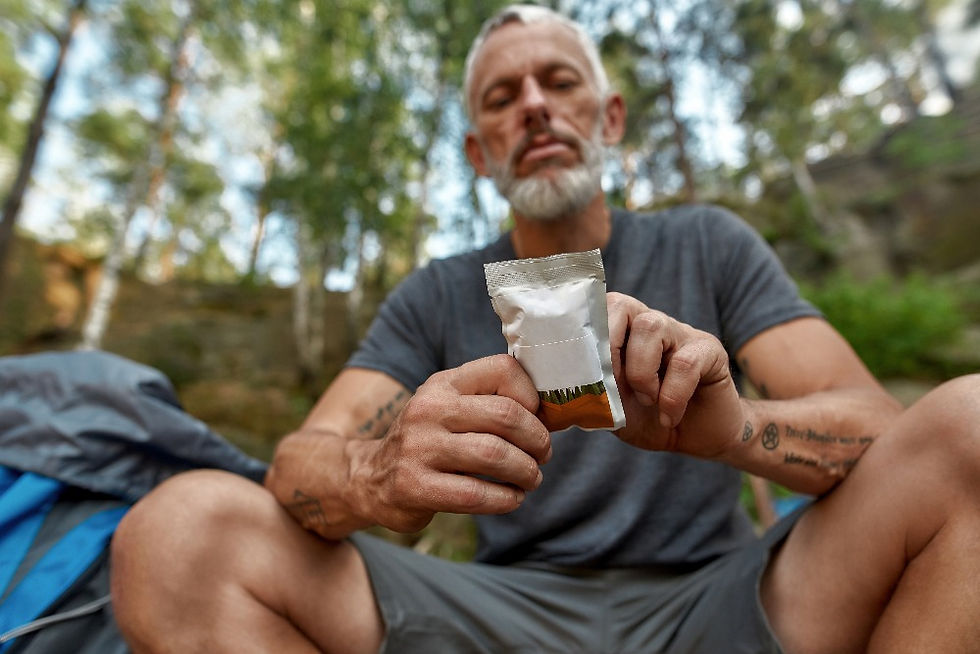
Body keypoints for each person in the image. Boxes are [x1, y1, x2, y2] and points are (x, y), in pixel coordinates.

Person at [110, 5, 980, 653]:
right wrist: (379, 476)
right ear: (478, 154)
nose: (533, 106)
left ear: (609, 118)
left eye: (560, 83)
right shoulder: (434, 294)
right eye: (502, 97)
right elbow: (298, 462)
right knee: (179, 536)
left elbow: (885, 427)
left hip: (725, 599)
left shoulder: (707, 243)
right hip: (499, 618)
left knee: (970, 428)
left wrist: (736, 430)